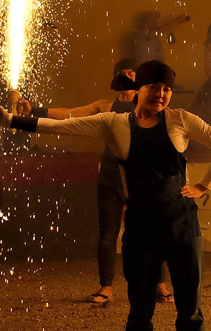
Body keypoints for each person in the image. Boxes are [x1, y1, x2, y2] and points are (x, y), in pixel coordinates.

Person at [2, 60, 211, 331]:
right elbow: (62, 126)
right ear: (138, 89)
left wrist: (204, 185)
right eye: (154, 87)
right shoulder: (114, 123)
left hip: (182, 227)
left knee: (190, 309)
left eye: (166, 89)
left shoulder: (181, 120)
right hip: (141, 228)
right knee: (140, 311)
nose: (161, 94)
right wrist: (12, 121)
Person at [16, 60, 172, 305]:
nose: (128, 77)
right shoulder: (105, 106)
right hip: (110, 177)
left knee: (152, 232)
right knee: (108, 234)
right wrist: (34, 110)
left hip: (141, 179)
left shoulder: (150, 106)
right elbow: (68, 115)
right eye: (123, 73)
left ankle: (160, 285)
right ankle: (106, 287)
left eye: (132, 73)